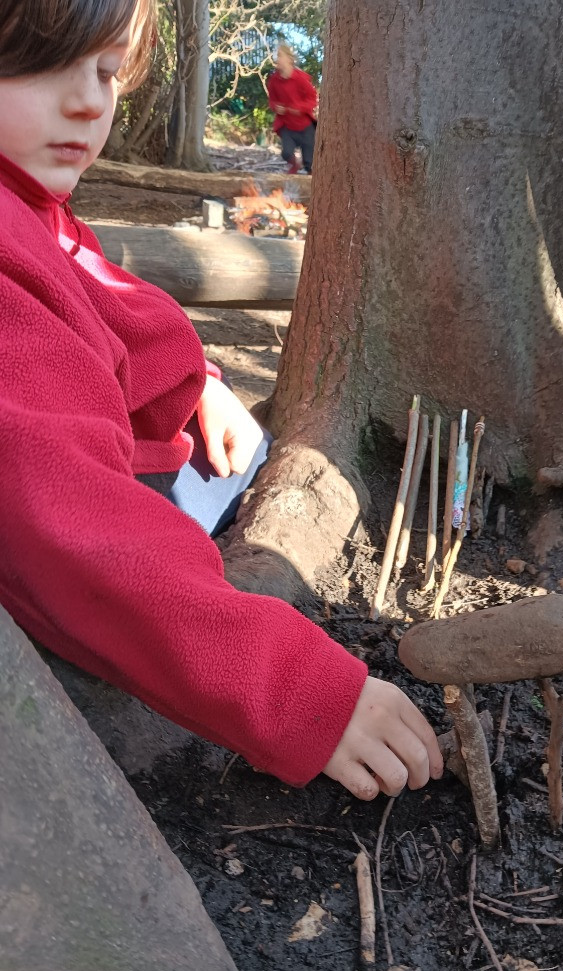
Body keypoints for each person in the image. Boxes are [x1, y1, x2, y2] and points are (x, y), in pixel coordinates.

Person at [0, 0, 442, 801]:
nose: (89, 102)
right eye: (36, 61)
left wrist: (193, 382)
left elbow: (94, 295)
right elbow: (66, 530)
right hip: (106, 576)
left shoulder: (32, 206)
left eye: (106, 72)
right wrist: (302, 692)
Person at [267, 42, 317, 175]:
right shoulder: (274, 81)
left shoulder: (301, 79)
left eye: (280, 55)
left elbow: (312, 100)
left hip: (305, 126)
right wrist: (276, 107)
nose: (277, 59)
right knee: (286, 153)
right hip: (287, 125)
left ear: (289, 59)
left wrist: (299, 108)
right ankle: (294, 167)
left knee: (310, 161)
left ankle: (311, 184)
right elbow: (271, 101)